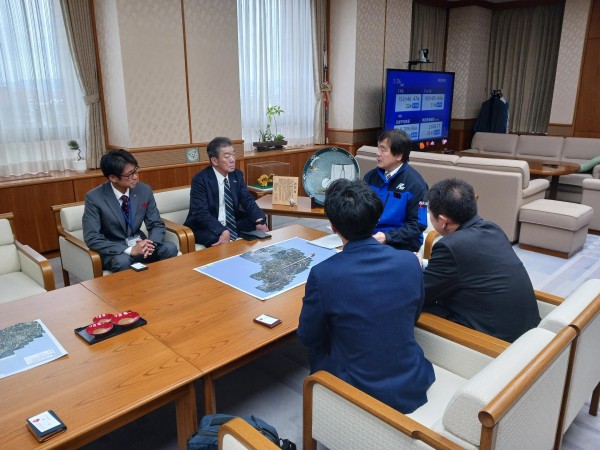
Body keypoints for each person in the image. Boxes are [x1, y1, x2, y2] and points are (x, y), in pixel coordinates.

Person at [297, 179, 435, 413]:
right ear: (376, 219)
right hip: (412, 379)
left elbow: (308, 335)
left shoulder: (324, 274)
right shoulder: (410, 261)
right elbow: (414, 315)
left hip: (359, 390)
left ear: (333, 226)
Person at [423, 178, 540, 343]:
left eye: (430, 214)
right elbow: (468, 269)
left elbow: (421, 292)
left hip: (495, 342)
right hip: (528, 332)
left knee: (407, 303)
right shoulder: (492, 228)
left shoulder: (450, 246)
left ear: (443, 221)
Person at [82, 149, 178, 272]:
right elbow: (92, 237)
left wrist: (151, 244)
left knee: (169, 248)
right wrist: (129, 250)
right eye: (130, 174)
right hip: (116, 251)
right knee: (123, 261)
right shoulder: (94, 198)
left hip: (140, 244)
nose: (135, 177)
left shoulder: (144, 190)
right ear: (113, 177)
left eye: (135, 171)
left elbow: (156, 223)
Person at [184, 137, 269, 247]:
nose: (232, 160)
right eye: (227, 156)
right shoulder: (200, 180)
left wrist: (259, 220)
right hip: (206, 226)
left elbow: (247, 199)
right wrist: (222, 230)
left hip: (232, 222)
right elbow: (201, 212)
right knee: (216, 238)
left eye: (233, 154)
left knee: (258, 222)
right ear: (214, 161)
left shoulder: (237, 175)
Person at [363, 129, 428, 252]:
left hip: (401, 243)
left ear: (399, 155)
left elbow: (418, 225)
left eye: (383, 150)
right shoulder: (370, 177)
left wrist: (387, 237)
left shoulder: (416, 185)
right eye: (378, 148)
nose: (378, 154)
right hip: (370, 238)